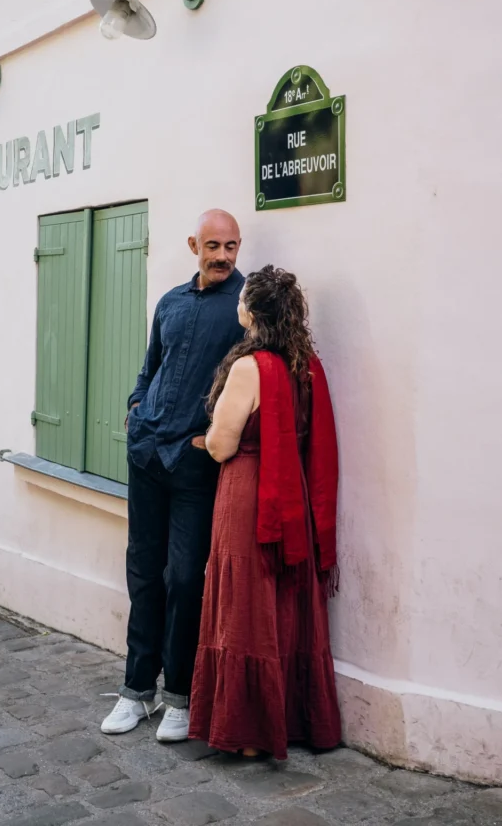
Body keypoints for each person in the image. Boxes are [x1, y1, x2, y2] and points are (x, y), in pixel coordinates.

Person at [101, 210, 245, 742]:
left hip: (194, 463)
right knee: (143, 571)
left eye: (231, 246)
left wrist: (209, 440)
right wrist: (136, 405)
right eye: (213, 246)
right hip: (146, 455)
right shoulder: (170, 302)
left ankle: (178, 696)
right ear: (193, 246)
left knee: (185, 578)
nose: (223, 256)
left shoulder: (244, 306)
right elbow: (150, 366)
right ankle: (135, 691)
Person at [189, 265, 341, 759]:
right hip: (292, 489)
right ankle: (294, 722)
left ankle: (249, 734)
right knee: (282, 600)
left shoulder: (248, 367)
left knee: (245, 602)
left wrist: (207, 438)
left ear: (250, 312)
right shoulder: (306, 363)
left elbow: (221, 445)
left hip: (249, 491)